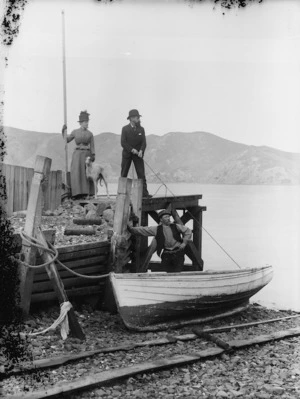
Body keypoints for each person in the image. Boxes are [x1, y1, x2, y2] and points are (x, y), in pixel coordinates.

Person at [62, 110, 95, 199]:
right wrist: (63, 131)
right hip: (77, 155)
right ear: (81, 123)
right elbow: (67, 140)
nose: (87, 124)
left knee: (87, 174)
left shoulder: (90, 134)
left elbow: (92, 146)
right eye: (85, 122)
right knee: (76, 172)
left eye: (87, 122)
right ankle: (77, 193)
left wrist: (92, 156)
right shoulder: (75, 132)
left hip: (86, 155)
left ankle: (88, 193)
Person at [121, 109, 151, 198]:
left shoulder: (141, 129)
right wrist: (131, 149)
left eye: (138, 117)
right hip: (127, 154)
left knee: (141, 174)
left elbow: (144, 143)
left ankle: (145, 194)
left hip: (138, 155)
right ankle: (121, 193)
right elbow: (123, 143)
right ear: (131, 118)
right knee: (124, 174)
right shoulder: (125, 129)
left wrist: (141, 150)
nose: (138, 119)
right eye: (136, 117)